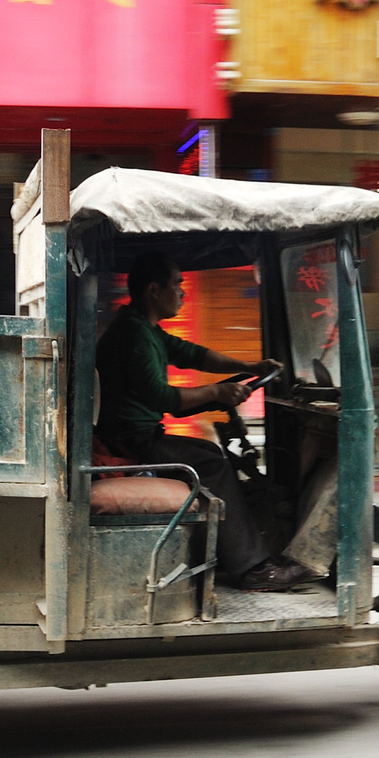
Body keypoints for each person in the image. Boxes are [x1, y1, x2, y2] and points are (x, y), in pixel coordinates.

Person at [95, 253, 324, 593]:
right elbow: (166, 400)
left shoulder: (144, 329)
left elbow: (195, 355)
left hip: (136, 435)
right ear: (154, 290)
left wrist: (250, 366)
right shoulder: (134, 336)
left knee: (208, 451)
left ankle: (233, 553)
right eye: (178, 285)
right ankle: (254, 568)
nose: (183, 293)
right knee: (213, 465)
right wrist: (217, 390)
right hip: (132, 441)